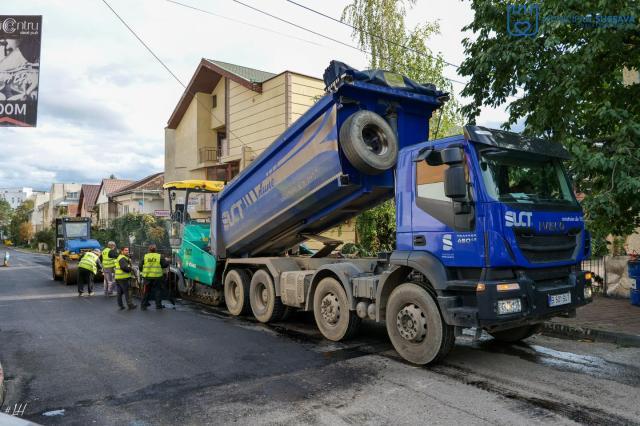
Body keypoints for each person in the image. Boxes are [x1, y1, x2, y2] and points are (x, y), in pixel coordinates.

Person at [139, 244, 170, 310]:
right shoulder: (159, 256)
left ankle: (143, 305)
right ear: (155, 249)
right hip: (157, 277)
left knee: (146, 291)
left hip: (147, 277)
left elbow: (140, 266)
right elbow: (164, 265)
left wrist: (142, 272)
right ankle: (158, 305)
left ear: (148, 249)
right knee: (158, 291)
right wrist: (167, 261)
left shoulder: (145, 256)